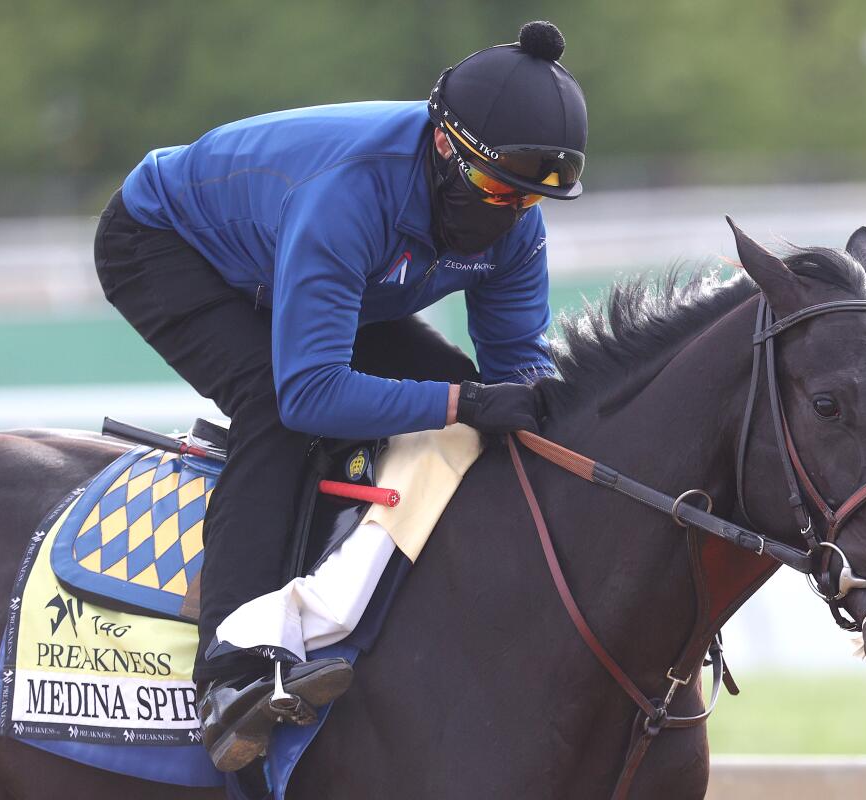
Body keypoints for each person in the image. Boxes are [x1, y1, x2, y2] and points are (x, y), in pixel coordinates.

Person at [92, 20, 587, 770]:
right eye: (494, 189)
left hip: (303, 260)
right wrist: (462, 404)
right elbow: (310, 394)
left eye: (528, 200)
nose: (507, 216)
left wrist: (507, 408)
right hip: (167, 244)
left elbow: (517, 377)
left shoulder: (515, 223)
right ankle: (232, 670)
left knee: (471, 401)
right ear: (446, 146)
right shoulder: (351, 192)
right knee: (275, 405)